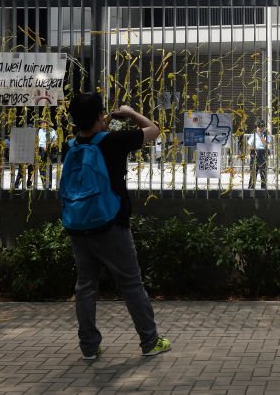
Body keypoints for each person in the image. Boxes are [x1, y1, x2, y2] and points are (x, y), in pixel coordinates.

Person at [65, 93, 171, 359]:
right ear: (100, 115)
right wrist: (131, 113)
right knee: (131, 284)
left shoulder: (70, 146)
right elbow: (153, 130)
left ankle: (89, 347)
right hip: (111, 224)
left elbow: (92, 138)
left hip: (78, 225)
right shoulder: (113, 142)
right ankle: (150, 341)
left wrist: (102, 122)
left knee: (86, 286)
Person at [247, 121, 272, 190]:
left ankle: (263, 188)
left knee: (263, 172)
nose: (260, 128)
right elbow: (248, 146)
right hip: (254, 152)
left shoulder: (266, 135)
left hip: (262, 152)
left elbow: (268, 145)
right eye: (259, 127)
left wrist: (263, 139)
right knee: (253, 172)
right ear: (256, 127)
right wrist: (251, 149)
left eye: (261, 127)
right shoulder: (254, 135)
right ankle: (251, 187)